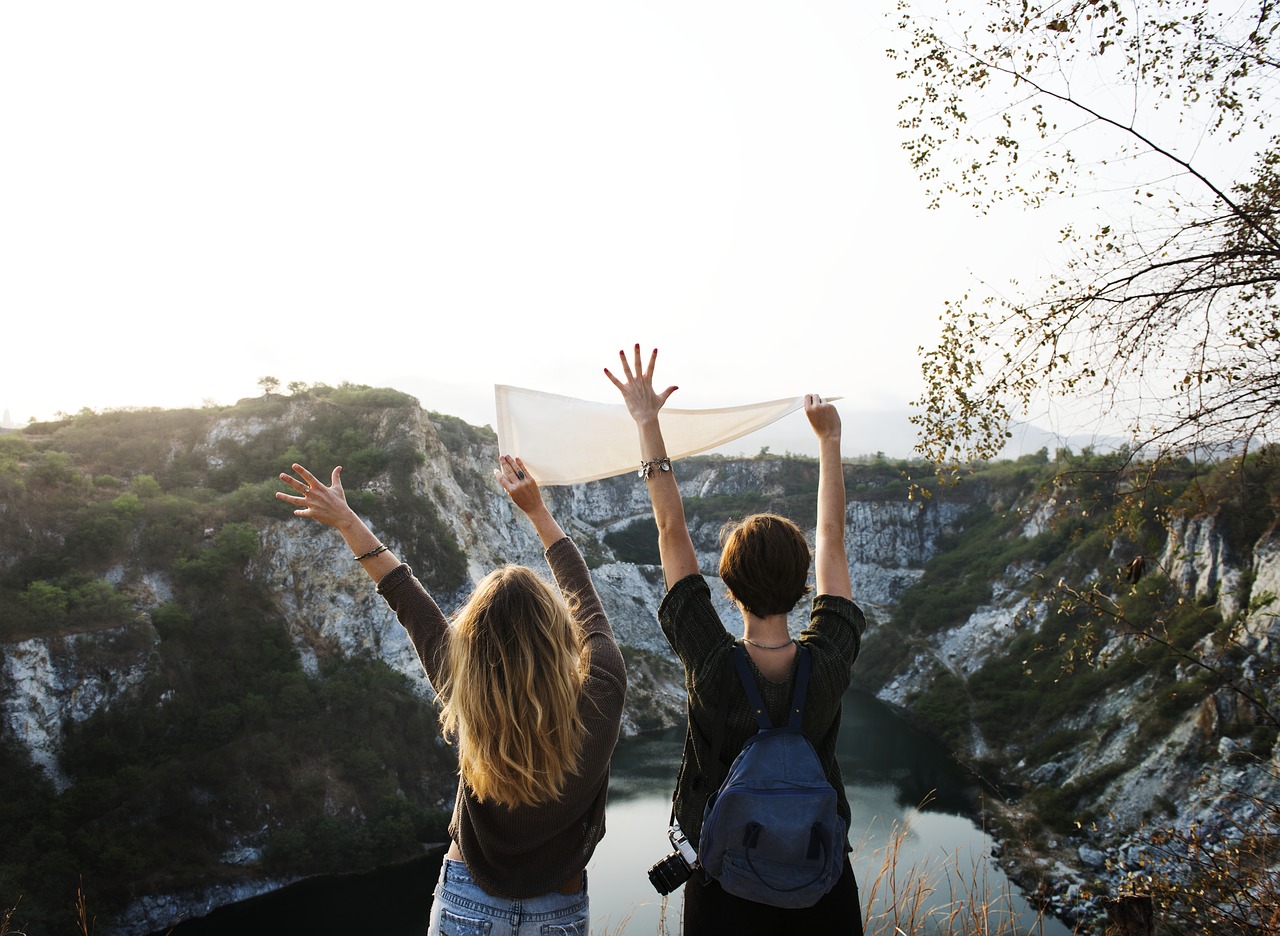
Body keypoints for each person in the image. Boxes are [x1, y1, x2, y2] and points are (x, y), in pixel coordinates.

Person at [275, 455, 627, 936]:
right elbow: (585, 599)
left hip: (469, 899)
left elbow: (403, 593)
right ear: (557, 632)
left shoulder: (465, 686)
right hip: (558, 908)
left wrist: (346, 520)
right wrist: (537, 512)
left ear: (474, 641)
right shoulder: (604, 688)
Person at [605, 345, 866, 935]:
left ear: (728, 585)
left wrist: (647, 424)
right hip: (820, 880)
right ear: (803, 586)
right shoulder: (828, 661)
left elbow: (670, 530)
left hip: (723, 885)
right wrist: (829, 441)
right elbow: (833, 540)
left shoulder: (711, 662)